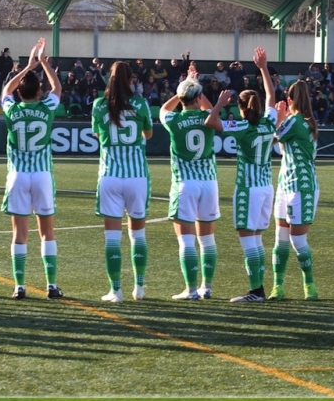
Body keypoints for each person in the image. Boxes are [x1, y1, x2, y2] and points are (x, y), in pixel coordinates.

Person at [0, 39, 64, 300]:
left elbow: (5, 89)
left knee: (19, 233)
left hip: (17, 175)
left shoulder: (12, 110)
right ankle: (51, 285)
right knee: (47, 232)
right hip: (41, 174)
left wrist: (27, 67)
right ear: (39, 92)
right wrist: (44, 63)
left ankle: (20, 286)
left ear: (20, 93)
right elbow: (57, 87)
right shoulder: (46, 107)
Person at [160, 63, 227, 301]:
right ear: (198, 98)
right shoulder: (208, 117)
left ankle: (190, 290)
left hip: (185, 184)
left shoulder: (173, 120)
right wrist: (197, 90)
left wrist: (184, 88)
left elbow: (163, 109)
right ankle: (206, 287)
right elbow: (211, 111)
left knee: (186, 240)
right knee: (207, 239)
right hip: (209, 184)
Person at [91, 60, 154, 303]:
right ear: (131, 80)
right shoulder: (141, 104)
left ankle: (115, 290)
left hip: (110, 175)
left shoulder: (99, 105)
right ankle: (139, 287)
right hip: (136, 175)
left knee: (112, 238)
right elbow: (148, 133)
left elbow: (98, 134)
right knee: (138, 235)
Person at [218, 48, 277, 303]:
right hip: (266, 188)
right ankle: (259, 289)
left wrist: (220, 105)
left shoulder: (242, 126)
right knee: (256, 239)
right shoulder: (268, 123)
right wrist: (263, 68)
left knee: (247, 240)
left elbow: (213, 123)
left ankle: (256, 291)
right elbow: (272, 95)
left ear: (240, 107)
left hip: (249, 188)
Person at [270, 79, 319, 301]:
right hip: (286, 185)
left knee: (297, 240)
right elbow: (281, 147)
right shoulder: (304, 121)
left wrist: (279, 116)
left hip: (302, 186)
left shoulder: (297, 121)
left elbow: (273, 136)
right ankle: (277, 285)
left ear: (290, 100)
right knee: (280, 238)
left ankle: (309, 285)